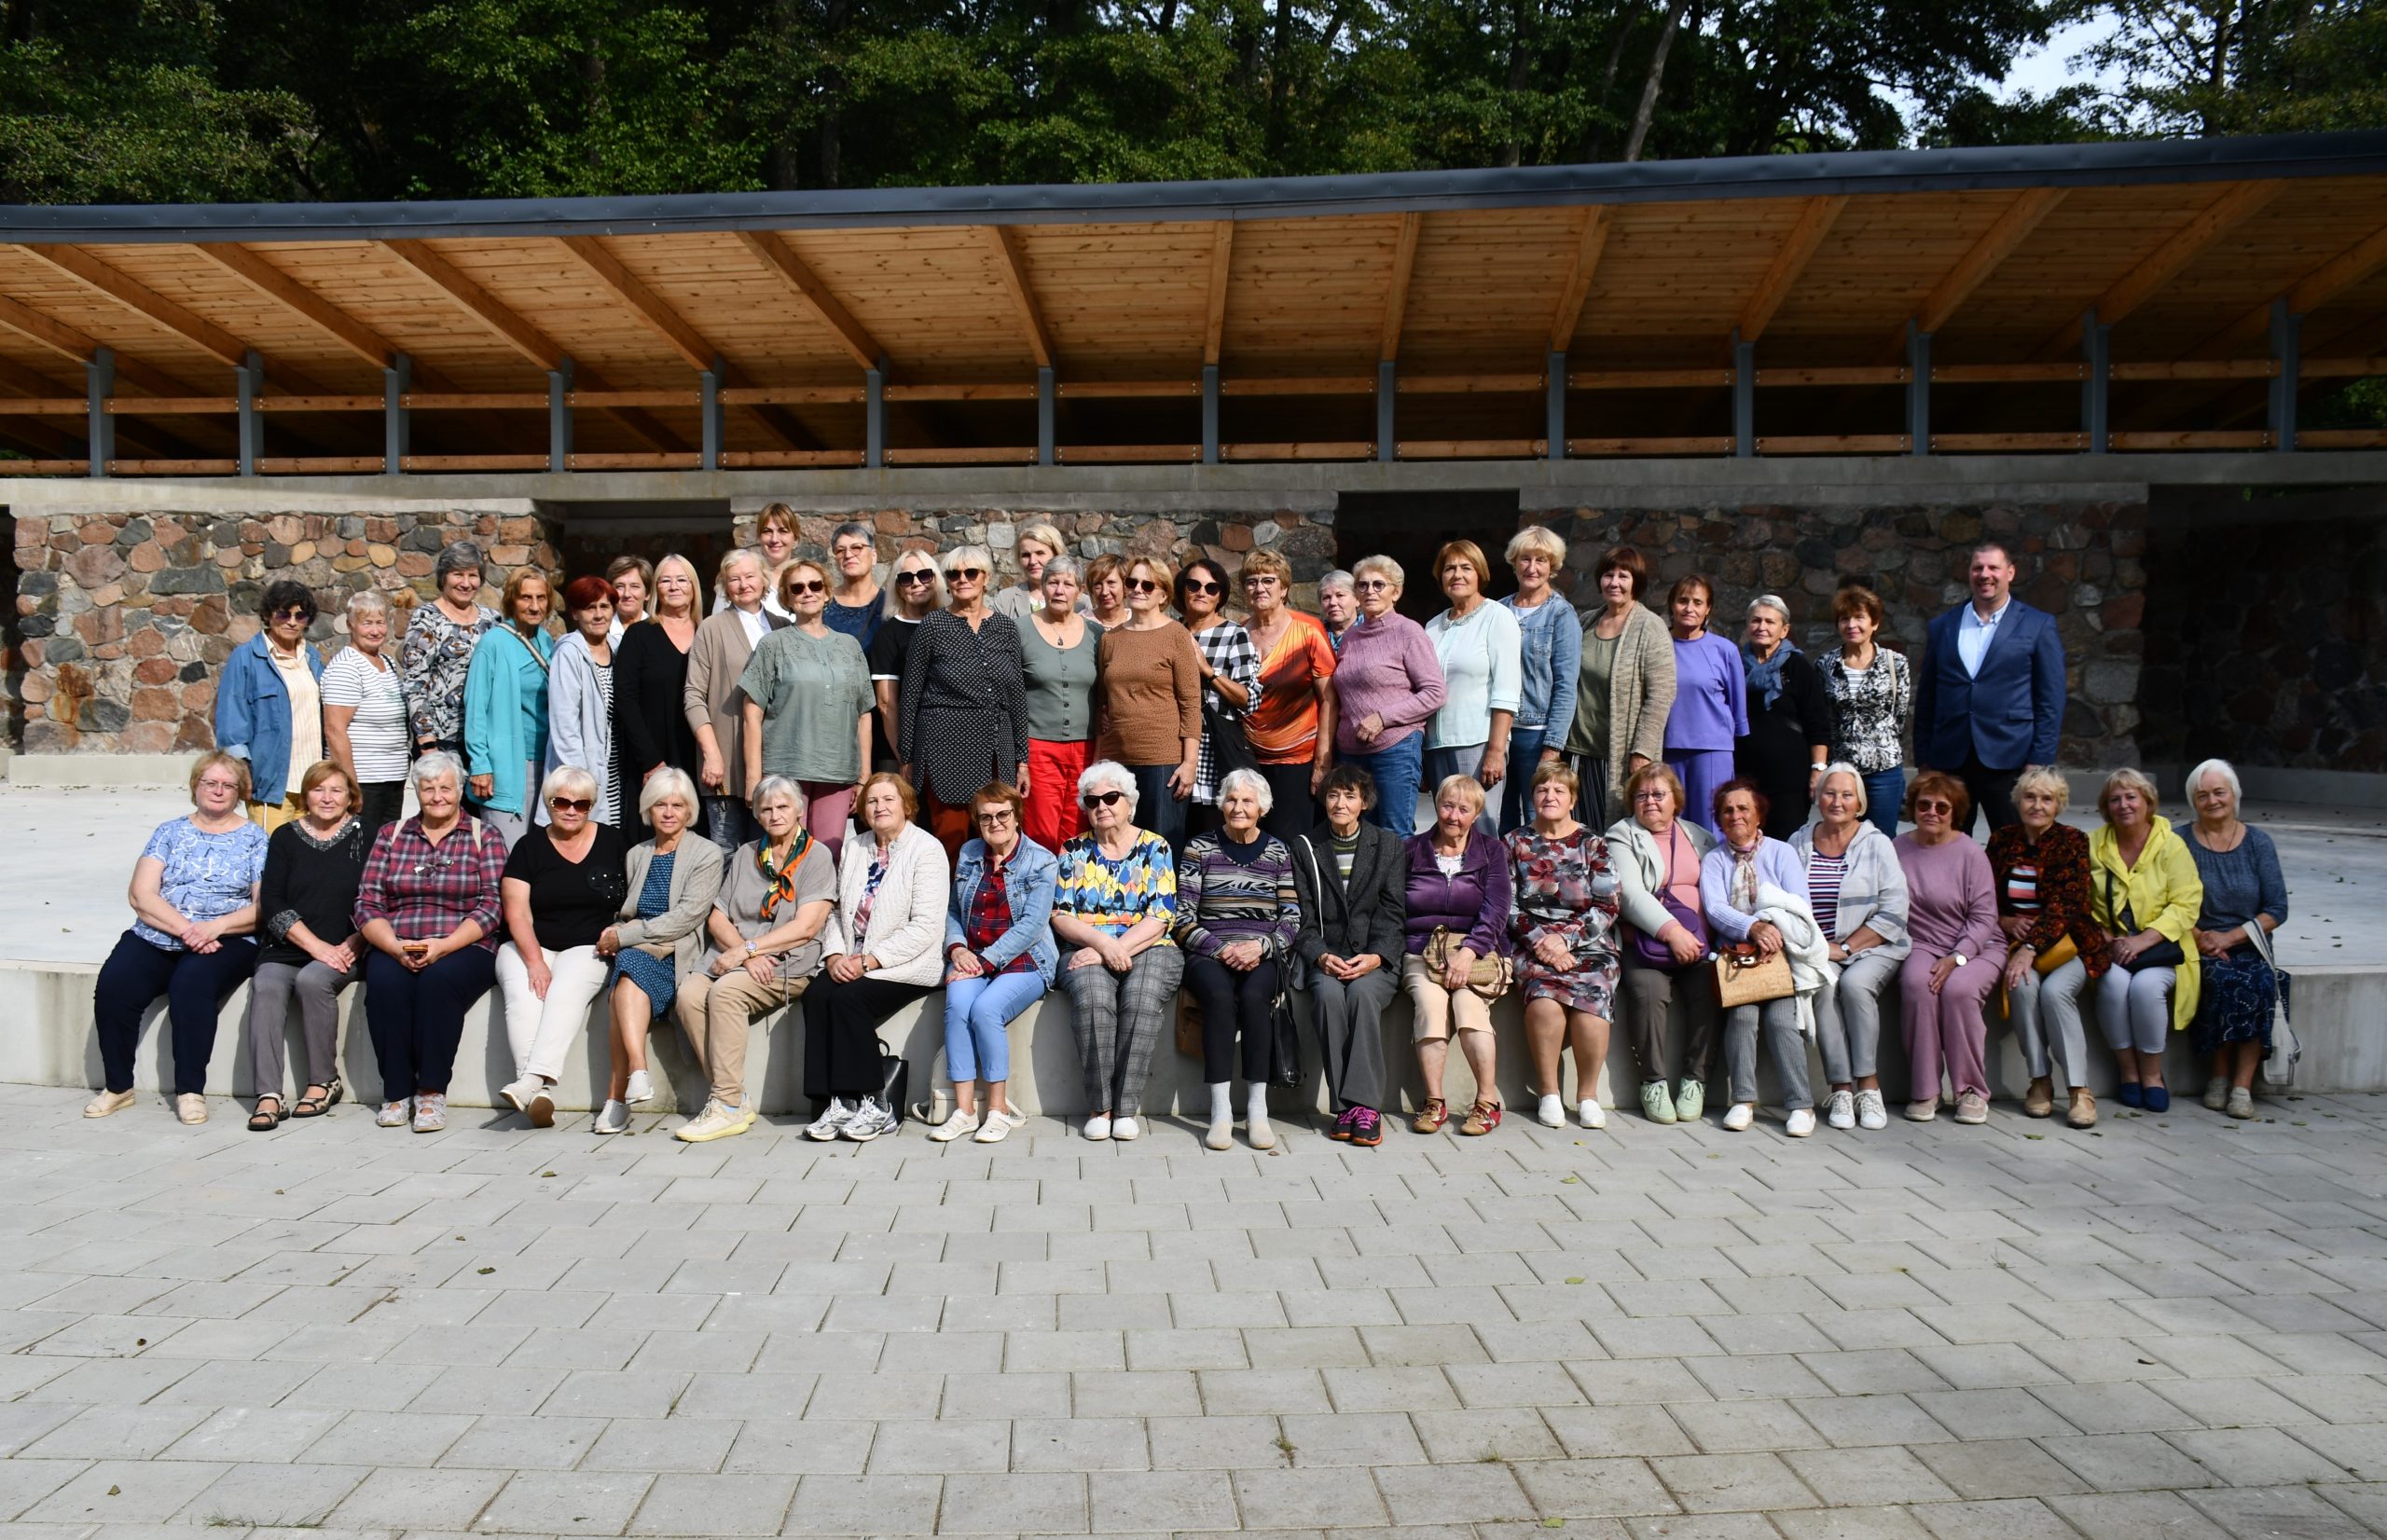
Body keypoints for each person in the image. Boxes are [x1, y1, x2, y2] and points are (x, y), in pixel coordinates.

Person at [86, 751, 267, 1125]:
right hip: (162, 932)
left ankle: (190, 1091)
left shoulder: (255, 838)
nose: (218, 790)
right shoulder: (169, 832)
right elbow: (141, 893)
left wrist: (214, 928)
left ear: (239, 793)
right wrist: (188, 930)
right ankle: (118, 1087)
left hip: (227, 938)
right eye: (210, 783)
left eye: (228, 785)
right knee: (115, 985)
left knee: (191, 985)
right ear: (195, 786)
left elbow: (263, 907)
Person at [669, 776, 836, 1142]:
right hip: (738, 954)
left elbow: (806, 927)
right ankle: (733, 1098)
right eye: (766, 809)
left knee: (725, 993)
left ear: (799, 810)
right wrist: (744, 955)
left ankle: (725, 1104)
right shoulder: (747, 853)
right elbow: (717, 916)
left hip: (788, 960)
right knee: (689, 994)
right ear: (757, 815)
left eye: (783, 807)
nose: (775, 815)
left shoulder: (817, 856)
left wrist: (750, 951)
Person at [352, 750, 505, 1133]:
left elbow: (492, 905)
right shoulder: (391, 834)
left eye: (446, 788)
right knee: (384, 983)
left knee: (439, 982)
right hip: (398, 939)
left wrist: (444, 946)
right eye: (428, 788)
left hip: (464, 943)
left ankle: (431, 1091)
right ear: (416, 792)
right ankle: (396, 1092)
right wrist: (394, 947)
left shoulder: (484, 835)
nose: (437, 796)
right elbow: (368, 902)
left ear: (460, 790)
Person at [804, 773, 951, 1143]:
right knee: (817, 994)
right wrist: (834, 954)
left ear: (906, 805)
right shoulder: (856, 847)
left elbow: (926, 927)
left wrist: (869, 961)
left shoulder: (927, 850)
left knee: (848, 1000)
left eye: (888, 799)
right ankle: (836, 1103)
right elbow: (837, 911)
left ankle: (876, 1103)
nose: (879, 807)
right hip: (852, 956)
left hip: (908, 964)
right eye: (872, 801)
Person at [1051, 760, 1183, 1140]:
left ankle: (1125, 1108)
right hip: (1087, 946)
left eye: (1111, 798)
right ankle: (1101, 1107)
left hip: (1150, 945)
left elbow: (1161, 916)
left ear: (1130, 803)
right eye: (1092, 801)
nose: (1102, 806)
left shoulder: (1155, 847)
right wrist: (1102, 944)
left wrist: (1114, 948)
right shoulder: (1073, 851)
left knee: (1141, 998)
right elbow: (1060, 915)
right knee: (1093, 997)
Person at [493, 766, 628, 1127]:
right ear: (548, 803)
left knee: (564, 991)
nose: (571, 810)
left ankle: (530, 1082)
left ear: (591, 806)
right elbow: (517, 912)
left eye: (581, 804)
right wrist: (535, 961)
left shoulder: (615, 842)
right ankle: (538, 1092)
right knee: (524, 994)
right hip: (530, 942)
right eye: (561, 802)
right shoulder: (529, 847)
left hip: (589, 945)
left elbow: (631, 902)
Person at [591, 768, 724, 1135]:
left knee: (623, 978)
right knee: (626, 976)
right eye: (660, 804)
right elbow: (628, 912)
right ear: (648, 809)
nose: (668, 812)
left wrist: (626, 936)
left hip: (678, 949)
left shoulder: (707, 853)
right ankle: (637, 1073)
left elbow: (687, 917)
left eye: (677, 805)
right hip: (638, 947)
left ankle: (619, 1096)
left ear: (689, 811)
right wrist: (615, 932)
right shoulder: (638, 853)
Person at [1176, 768, 1301, 1151]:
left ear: (1262, 807)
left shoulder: (1278, 851)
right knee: (1217, 995)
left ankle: (1257, 1111)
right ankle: (1221, 1112)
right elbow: (1182, 918)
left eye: (1247, 801)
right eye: (1231, 799)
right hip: (1209, 951)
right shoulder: (1200, 848)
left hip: (1263, 952)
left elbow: (1291, 918)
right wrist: (1221, 949)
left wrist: (1261, 947)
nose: (1238, 807)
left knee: (1253, 997)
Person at [245, 761, 371, 1131]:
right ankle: (268, 1093)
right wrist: (315, 946)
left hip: (348, 946)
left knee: (313, 981)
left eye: (336, 790)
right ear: (306, 795)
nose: (327, 798)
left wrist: (358, 939)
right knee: (267, 984)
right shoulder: (285, 837)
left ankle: (324, 1081)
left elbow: (378, 895)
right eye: (318, 789)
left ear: (350, 797)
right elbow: (272, 900)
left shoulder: (369, 835)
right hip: (290, 944)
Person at [934, 782, 1058, 1145]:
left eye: (1003, 814)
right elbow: (953, 909)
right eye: (986, 817)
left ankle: (998, 1110)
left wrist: (985, 961)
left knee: (985, 1010)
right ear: (977, 822)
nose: (995, 823)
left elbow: (1032, 926)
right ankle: (964, 1111)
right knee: (958, 1006)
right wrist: (957, 949)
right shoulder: (970, 853)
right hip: (972, 956)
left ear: (1017, 816)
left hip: (1026, 960)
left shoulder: (1041, 860)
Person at [1914, 541, 2065, 838]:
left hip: (2011, 757)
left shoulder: (2038, 625)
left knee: (2015, 845)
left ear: (2010, 573)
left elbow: (2051, 699)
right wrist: (1923, 757)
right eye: (1978, 568)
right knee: (1947, 845)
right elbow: (1928, 696)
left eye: (1993, 567)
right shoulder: (1943, 626)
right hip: (1950, 758)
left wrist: (2039, 760)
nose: (1985, 574)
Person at [1789, 764, 1911, 1132]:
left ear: (1860, 802)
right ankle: (1841, 1088)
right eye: (1829, 793)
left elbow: (1895, 910)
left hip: (1874, 945)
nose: (1837, 801)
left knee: (1856, 986)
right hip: (1818, 949)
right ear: (1818, 798)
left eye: (1846, 795)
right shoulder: (1799, 842)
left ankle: (1869, 1086)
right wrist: (1816, 946)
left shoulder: (1877, 844)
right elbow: (1786, 902)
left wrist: (1845, 947)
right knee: (1824, 987)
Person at [1700, 779, 1823, 1135]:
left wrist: (1773, 934)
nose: (1735, 815)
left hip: (1780, 955)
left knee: (1782, 1021)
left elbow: (1799, 904)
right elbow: (1715, 908)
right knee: (1742, 1017)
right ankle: (1742, 1100)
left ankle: (1801, 1106)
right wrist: (1753, 928)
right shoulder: (1715, 860)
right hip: (1738, 958)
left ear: (1758, 814)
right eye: (1727, 810)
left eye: (1743, 808)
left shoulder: (1782, 853)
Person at [1290, 764, 1403, 1148]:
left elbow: (1393, 913)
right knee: (1327, 996)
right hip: (1326, 957)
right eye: (1334, 795)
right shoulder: (1305, 847)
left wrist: (1376, 957)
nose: (1340, 803)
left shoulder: (1388, 845)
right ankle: (1346, 1109)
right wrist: (1320, 956)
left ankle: (1365, 1107)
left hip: (1374, 959)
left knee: (1362, 995)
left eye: (1350, 796)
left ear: (1364, 803)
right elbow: (1302, 916)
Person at [1987, 764, 2107, 1130]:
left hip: (2068, 945)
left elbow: (2067, 905)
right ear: (2018, 800)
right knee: (2021, 987)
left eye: (2047, 799)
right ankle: (2039, 1079)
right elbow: (1986, 896)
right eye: (2030, 797)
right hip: (2017, 942)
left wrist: (2029, 947)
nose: (2037, 805)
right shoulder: (2002, 840)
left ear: (2059, 805)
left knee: (2055, 993)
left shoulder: (2072, 841)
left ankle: (2079, 1089)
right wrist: (2005, 922)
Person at [1508, 761, 1621, 1132]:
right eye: (1542, 789)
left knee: (1592, 1003)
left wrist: (1566, 940)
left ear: (1572, 799)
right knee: (1544, 1000)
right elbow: (1507, 904)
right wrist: (1543, 942)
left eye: (1559, 790)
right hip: (1533, 943)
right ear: (1532, 797)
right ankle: (1549, 1093)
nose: (1550, 796)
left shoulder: (1593, 844)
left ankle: (1587, 1096)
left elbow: (1608, 904)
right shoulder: (1514, 842)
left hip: (1589, 943)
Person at [1607, 763, 1718, 1125]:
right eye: (1641, 795)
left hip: (1698, 946)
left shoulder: (1699, 836)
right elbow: (1630, 894)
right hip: (1646, 945)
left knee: (1712, 989)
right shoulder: (1622, 835)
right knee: (1648, 993)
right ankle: (1653, 1082)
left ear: (1676, 800)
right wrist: (1673, 932)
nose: (1650, 801)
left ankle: (1695, 1080)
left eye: (1658, 794)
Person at [901, 544, 1030, 858]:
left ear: (986, 578)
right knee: (952, 842)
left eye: (971, 572)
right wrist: (907, 757)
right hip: (945, 750)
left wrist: (1022, 760)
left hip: (997, 751)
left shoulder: (1005, 628)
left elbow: (1017, 697)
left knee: (1000, 839)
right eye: (954, 574)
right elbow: (910, 694)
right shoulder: (933, 626)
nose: (962, 579)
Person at [740, 558, 875, 859]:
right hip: (786, 771)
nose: (807, 592)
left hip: (838, 772)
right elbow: (752, 713)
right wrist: (753, 778)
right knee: (785, 854)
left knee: (828, 856)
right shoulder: (772, 644)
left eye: (815, 585)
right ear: (787, 598)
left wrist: (864, 776)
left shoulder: (850, 646)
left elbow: (864, 713)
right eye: (797, 588)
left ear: (826, 593)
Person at [2087, 767, 2203, 1113]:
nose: (2124, 805)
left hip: (2161, 949)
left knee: (2145, 988)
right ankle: (2129, 1073)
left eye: (2131, 797)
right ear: (2106, 807)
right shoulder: (2094, 844)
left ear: (2148, 802)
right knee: (2112, 983)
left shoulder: (2171, 844)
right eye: (2115, 799)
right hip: (2112, 947)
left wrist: (2143, 941)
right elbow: (2081, 902)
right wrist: (2106, 937)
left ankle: (2153, 1075)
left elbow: (2187, 903)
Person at [1403, 776, 1512, 1136]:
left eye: (1464, 809)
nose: (1453, 815)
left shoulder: (1492, 851)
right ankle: (1434, 1101)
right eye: (1447, 806)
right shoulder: (1411, 850)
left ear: (1477, 814)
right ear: (1436, 806)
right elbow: (1394, 907)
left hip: (1482, 952)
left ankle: (1487, 1101)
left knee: (1468, 1004)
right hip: (1422, 950)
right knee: (1430, 1003)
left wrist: (1469, 951)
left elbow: (1497, 909)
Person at [1893, 772, 2004, 1123]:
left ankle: (1971, 1090)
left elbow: (1984, 917)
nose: (1932, 812)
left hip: (1978, 944)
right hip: (1922, 942)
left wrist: (1958, 957)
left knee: (1959, 990)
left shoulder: (1970, 853)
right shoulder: (1897, 849)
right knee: (1917, 984)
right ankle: (1926, 1090)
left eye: (1942, 807)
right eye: (1924, 805)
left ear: (1955, 813)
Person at [2184, 759, 2287, 1121]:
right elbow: (2168, 900)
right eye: (2202, 795)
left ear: (2234, 795)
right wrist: (2201, 938)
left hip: (2249, 943)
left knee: (2261, 980)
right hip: (2199, 942)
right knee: (2223, 979)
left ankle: (2242, 1087)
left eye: (2219, 792)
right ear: (2193, 801)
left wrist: (2229, 938)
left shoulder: (2258, 842)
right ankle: (2218, 1076)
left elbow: (2277, 908)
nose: (2212, 800)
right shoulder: (2180, 841)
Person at [1092, 556, 1202, 854]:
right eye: (1132, 582)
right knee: (1115, 843)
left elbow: (1191, 702)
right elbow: (1102, 703)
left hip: (1163, 761)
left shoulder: (1176, 635)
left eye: (1148, 584)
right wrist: (1099, 758)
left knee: (1160, 848)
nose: (1138, 589)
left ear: (1163, 595)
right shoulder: (1110, 639)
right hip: (1116, 759)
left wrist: (1189, 763)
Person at [1333, 556, 1447, 835]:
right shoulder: (1350, 637)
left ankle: (1400, 870)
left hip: (1395, 749)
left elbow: (1435, 692)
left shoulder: (1409, 632)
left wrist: (1382, 718)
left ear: (1395, 592)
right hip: (1350, 753)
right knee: (1358, 834)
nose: (1370, 591)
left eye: (1378, 585)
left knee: (1394, 834)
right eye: (1363, 585)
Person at [1563, 545, 1674, 831]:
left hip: (1617, 756)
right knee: (1576, 833)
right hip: (1576, 752)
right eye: (1608, 575)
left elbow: (1661, 695)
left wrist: (1642, 752)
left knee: (1612, 834)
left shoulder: (1650, 627)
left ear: (1636, 582)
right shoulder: (1585, 622)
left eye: (1623, 576)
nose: (1614, 582)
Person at [685, 549, 782, 852]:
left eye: (750, 576)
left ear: (764, 579)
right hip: (727, 762)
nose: (743, 584)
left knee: (771, 852)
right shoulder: (711, 628)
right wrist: (712, 753)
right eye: (734, 579)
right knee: (726, 853)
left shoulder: (782, 626)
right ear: (725, 586)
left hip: (776, 760)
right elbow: (693, 695)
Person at [1424, 540, 1520, 839]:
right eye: (1449, 568)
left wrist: (1496, 750)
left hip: (1478, 743)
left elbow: (1507, 689)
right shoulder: (1432, 626)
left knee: (1480, 827)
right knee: (1447, 830)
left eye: (1466, 568)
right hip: (1436, 745)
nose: (1457, 575)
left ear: (1480, 573)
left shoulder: (1497, 617)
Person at [1237, 550, 1336, 839]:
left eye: (1268, 580)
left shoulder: (1308, 632)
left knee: (1291, 843)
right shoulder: (1238, 633)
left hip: (1297, 762)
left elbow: (1329, 699)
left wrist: (1322, 763)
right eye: (1252, 581)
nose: (1259, 587)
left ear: (1284, 588)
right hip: (1248, 759)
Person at [216, 580, 326, 831]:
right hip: (271, 784)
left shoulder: (312, 658)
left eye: (300, 616)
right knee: (272, 852)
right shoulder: (246, 657)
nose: (292, 622)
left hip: (313, 784)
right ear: (268, 615)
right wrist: (242, 769)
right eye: (283, 614)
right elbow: (231, 718)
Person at [462, 568, 558, 846]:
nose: (535, 606)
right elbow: (475, 707)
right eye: (526, 598)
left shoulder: (546, 640)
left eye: (541, 598)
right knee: (508, 853)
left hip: (546, 762)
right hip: (507, 766)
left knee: (539, 854)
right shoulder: (493, 643)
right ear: (511, 600)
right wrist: (480, 764)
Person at [613, 553, 704, 835]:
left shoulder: (708, 632)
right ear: (655, 590)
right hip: (651, 757)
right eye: (665, 580)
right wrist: (651, 761)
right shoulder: (639, 635)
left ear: (694, 587)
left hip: (699, 758)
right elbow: (625, 699)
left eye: (681, 580)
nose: (674, 587)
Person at [1498, 528, 1580, 834]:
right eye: (1525, 559)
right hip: (1498, 734)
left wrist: (1552, 746)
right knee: (1498, 819)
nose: (1532, 567)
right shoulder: (1497, 610)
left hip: (1536, 735)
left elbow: (1566, 685)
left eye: (1541, 560)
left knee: (1540, 818)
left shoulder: (1561, 614)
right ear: (1514, 562)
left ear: (1552, 566)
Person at [1176, 556, 1262, 843]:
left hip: (1214, 753)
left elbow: (1250, 700)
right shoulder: (1171, 631)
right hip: (1171, 750)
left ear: (1220, 596)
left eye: (1211, 588)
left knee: (1210, 838)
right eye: (1194, 585)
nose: (1202, 592)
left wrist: (1208, 671)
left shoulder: (1234, 634)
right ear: (1182, 589)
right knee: (1173, 837)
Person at [1018, 555, 1099, 856]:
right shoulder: (1019, 629)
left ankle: (1070, 885)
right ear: (1042, 586)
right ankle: (1040, 884)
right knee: (1040, 829)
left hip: (1086, 749)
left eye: (1068, 584)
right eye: (1053, 583)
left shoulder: (1097, 635)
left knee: (1079, 827)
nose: (1060, 590)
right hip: (1038, 747)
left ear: (1080, 591)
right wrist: (1020, 759)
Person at [1736, 595, 1835, 840]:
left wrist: (1818, 770)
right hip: (1744, 776)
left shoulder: (1798, 667)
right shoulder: (1735, 665)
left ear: (1784, 630)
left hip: (1789, 782)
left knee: (1786, 843)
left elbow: (1817, 723)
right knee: (1746, 843)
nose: (1762, 627)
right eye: (1756, 620)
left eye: (1770, 622)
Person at [1661, 574, 1746, 837]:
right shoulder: (1657, 646)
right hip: (1666, 749)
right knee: (1670, 825)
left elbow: (1738, 706)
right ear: (1671, 605)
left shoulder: (1725, 650)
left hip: (1711, 751)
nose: (1689, 608)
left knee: (1712, 827)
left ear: (1708, 608)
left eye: (1698, 602)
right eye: (1683, 601)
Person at [1825, 584, 1912, 837]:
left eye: (1859, 617)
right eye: (1845, 619)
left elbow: (1899, 715)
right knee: (1842, 836)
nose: (1851, 625)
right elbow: (1827, 717)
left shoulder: (1896, 663)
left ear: (1874, 623)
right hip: (1842, 769)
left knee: (1881, 838)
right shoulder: (1826, 664)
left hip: (1884, 768)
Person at [321, 589, 409, 836]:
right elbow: (335, 730)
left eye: (380, 623)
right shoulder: (346, 667)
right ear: (351, 625)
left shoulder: (386, 663)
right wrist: (350, 785)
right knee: (359, 847)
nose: (375, 630)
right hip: (364, 781)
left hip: (391, 778)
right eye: (367, 623)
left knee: (384, 847)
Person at [401, 541, 499, 761]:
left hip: (484, 739)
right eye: (458, 574)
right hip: (441, 741)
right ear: (444, 577)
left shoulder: (492, 620)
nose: (466, 583)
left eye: (472, 575)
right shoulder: (426, 619)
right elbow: (415, 684)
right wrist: (427, 744)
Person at [546, 575, 620, 828]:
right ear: (575, 613)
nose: (598, 615)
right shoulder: (569, 652)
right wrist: (581, 783)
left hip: (614, 773)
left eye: (604, 606)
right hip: (584, 775)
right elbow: (564, 726)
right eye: (590, 608)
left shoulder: (618, 648)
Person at [870, 550, 944, 769]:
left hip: (948, 747)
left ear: (936, 579)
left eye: (924, 575)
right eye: (906, 578)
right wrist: (905, 757)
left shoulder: (952, 625)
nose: (916, 583)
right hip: (902, 752)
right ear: (898, 589)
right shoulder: (888, 634)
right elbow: (886, 703)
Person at [718, 503, 801, 621]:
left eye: (783, 531)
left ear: (796, 539)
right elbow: (718, 626)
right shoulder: (736, 581)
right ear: (759, 537)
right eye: (767, 531)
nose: (774, 539)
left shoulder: (809, 584)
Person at [823, 521, 884, 648]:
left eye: (856, 548)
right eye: (840, 550)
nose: (848, 555)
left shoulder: (890, 604)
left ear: (873, 557)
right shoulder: (823, 603)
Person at [993, 520, 1070, 619]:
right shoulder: (1005, 600)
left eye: (1040, 553)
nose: (1032, 561)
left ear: (1056, 554)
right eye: (1026, 555)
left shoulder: (1080, 601)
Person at [605, 555, 652, 647]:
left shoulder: (659, 630)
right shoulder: (601, 631)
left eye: (634, 586)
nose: (627, 594)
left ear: (647, 594)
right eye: (620, 586)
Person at [1316, 570, 1361, 653]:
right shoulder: (1314, 637)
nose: (1332, 603)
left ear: (1357, 599)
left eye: (1340, 595)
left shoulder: (1371, 633)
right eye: (1327, 597)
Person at [1083, 554, 1128, 632]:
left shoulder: (1139, 622)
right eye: (1097, 584)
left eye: (1111, 583)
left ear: (1125, 585)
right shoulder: (1081, 624)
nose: (1104, 592)